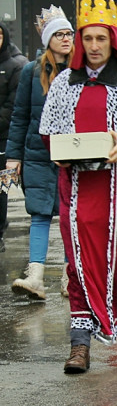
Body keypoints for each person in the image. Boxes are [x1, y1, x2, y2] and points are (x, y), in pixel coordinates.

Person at [39, 0, 117, 373]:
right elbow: (49, 131)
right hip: (78, 188)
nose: (94, 47)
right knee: (79, 262)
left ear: (113, 41)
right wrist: (57, 150)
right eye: (88, 39)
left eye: (101, 39)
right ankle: (80, 344)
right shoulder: (63, 83)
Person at [7, 6, 69, 300]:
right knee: (40, 215)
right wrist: (13, 157)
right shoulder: (32, 72)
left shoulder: (80, 71)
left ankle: (72, 277)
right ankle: (36, 276)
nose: (66, 39)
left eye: (69, 33)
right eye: (59, 34)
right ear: (48, 39)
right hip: (37, 154)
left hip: (73, 153)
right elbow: (20, 116)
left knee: (72, 216)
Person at [0, 22, 27, 252]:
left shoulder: (17, 65)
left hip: (4, 139)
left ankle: (0, 230)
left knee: (1, 189)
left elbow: (14, 106)